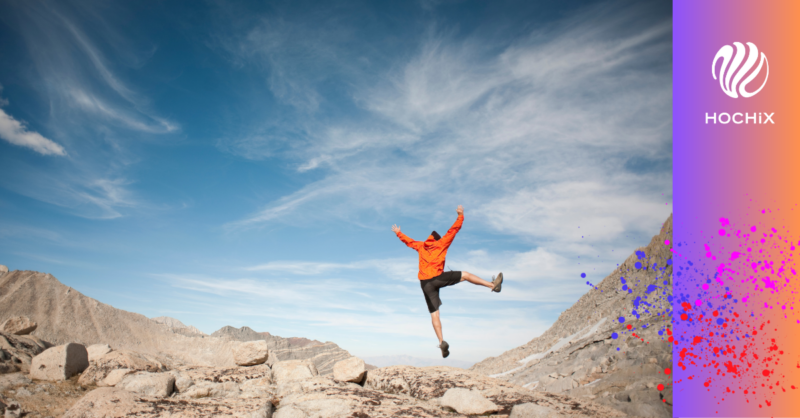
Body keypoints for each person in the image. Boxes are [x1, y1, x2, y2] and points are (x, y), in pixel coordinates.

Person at [392, 205, 502, 358]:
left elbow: (409, 242)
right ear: (437, 239)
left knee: (434, 314)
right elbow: (453, 230)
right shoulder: (442, 243)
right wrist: (460, 215)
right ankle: (492, 285)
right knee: (465, 275)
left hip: (425, 284)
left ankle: (441, 341)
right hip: (438, 278)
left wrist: (398, 233)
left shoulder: (421, 246)